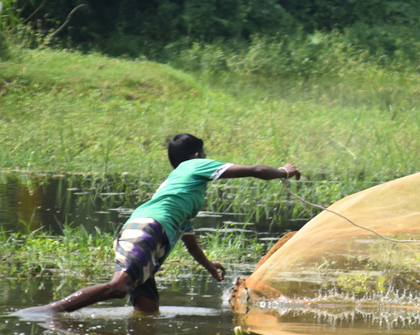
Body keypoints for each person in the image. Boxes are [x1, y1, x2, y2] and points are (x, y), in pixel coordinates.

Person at [24, 133, 300, 314]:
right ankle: (45, 314)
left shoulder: (182, 190)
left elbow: (187, 236)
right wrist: (283, 172)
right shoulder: (193, 167)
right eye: (204, 154)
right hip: (148, 229)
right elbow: (254, 171)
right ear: (196, 156)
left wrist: (208, 265)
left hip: (150, 233)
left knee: (148, 312)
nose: (207, 159)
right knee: (117, 287)